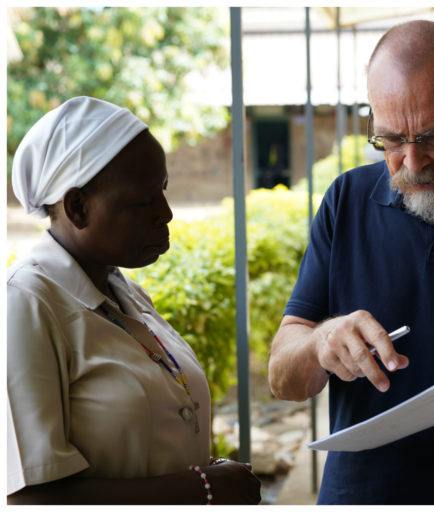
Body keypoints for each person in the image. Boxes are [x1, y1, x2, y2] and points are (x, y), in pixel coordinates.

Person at [266, 20, 434, 504]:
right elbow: (282, 377)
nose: (413, 165)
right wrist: (320, 342)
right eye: (391, 141)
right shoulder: (347, 199)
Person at [7, 97, 262, 504]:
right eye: (143, 201)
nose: (166, 213)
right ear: (77, 207)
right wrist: (204, 488)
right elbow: (30, 498)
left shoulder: (123, 293)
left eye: (162, 190)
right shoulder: (26, 305)